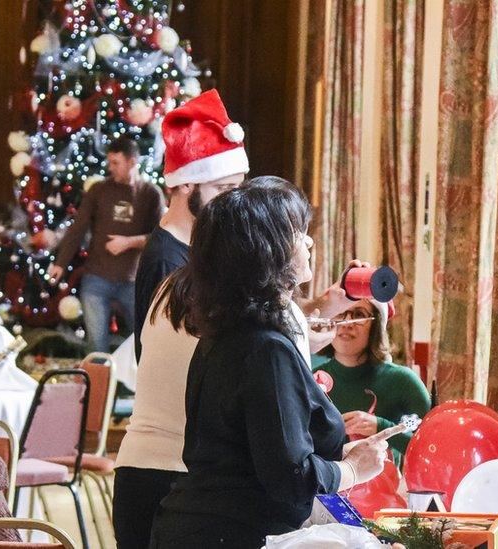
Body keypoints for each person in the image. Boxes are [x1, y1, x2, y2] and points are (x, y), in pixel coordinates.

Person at [113, 176, 368, 548]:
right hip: (216, 520)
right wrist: (352, 469)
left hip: (176, 504)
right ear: (267, 249)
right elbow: (286, 472)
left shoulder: (217, 326)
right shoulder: (264, 347)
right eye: (298, 232)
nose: (309, 241)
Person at [132, 89, 247, 357]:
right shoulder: (167, 260)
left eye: (236, 188)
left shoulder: (203, 242)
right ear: (186, 183)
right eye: (222, 187)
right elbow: (176, 354)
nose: (232, 201)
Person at [49, 135, 164, 352]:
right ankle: (98, 384)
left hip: (133, 282)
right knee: (96, 345)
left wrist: (130, 242)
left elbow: (161, 238)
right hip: (97, 279)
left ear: (132, 162)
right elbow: (78, 228)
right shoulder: (99, 191)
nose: (110, 168)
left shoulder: (151, 194)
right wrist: (60, 263)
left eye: (116, 163)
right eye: (109, 162)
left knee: (144, 343)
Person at [312, 299, 430, 469]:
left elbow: (431, 451)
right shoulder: (310, 380)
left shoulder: (403, 381)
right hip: (325, 492)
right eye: (340, 314)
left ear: (376, 327)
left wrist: (380, 426)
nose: (347, 323)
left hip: (383, 492)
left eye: (359, 315)